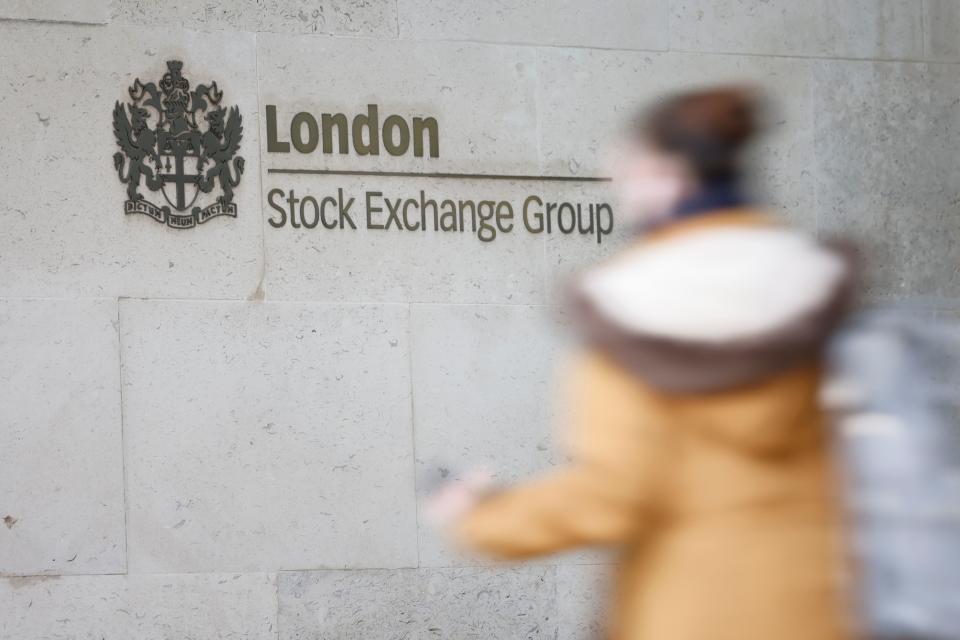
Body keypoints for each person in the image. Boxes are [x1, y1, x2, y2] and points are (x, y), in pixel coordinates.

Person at [429, 87, 856, 640]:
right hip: (817, 612)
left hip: (689, 617)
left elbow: (613, 496)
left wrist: (483, 519)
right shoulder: (814, 285)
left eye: (626, 166)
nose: (614, 182)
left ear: (667, 175)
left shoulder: (632, 307)